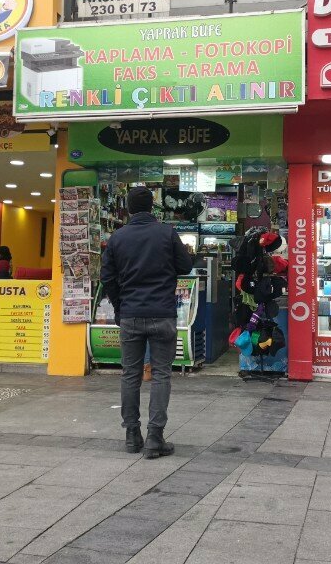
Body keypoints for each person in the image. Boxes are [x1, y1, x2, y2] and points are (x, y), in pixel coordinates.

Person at [101, 186, 193, 459]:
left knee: (130, 375)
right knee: (161, 374)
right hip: (162, 314)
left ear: (128, 209)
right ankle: (155, 437)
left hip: (130, 315)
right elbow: (186, 266)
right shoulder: (166, 232)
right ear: (151, 208)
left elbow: (107, 278)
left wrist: (120, 308)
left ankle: (132, 435)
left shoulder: (117, 237)